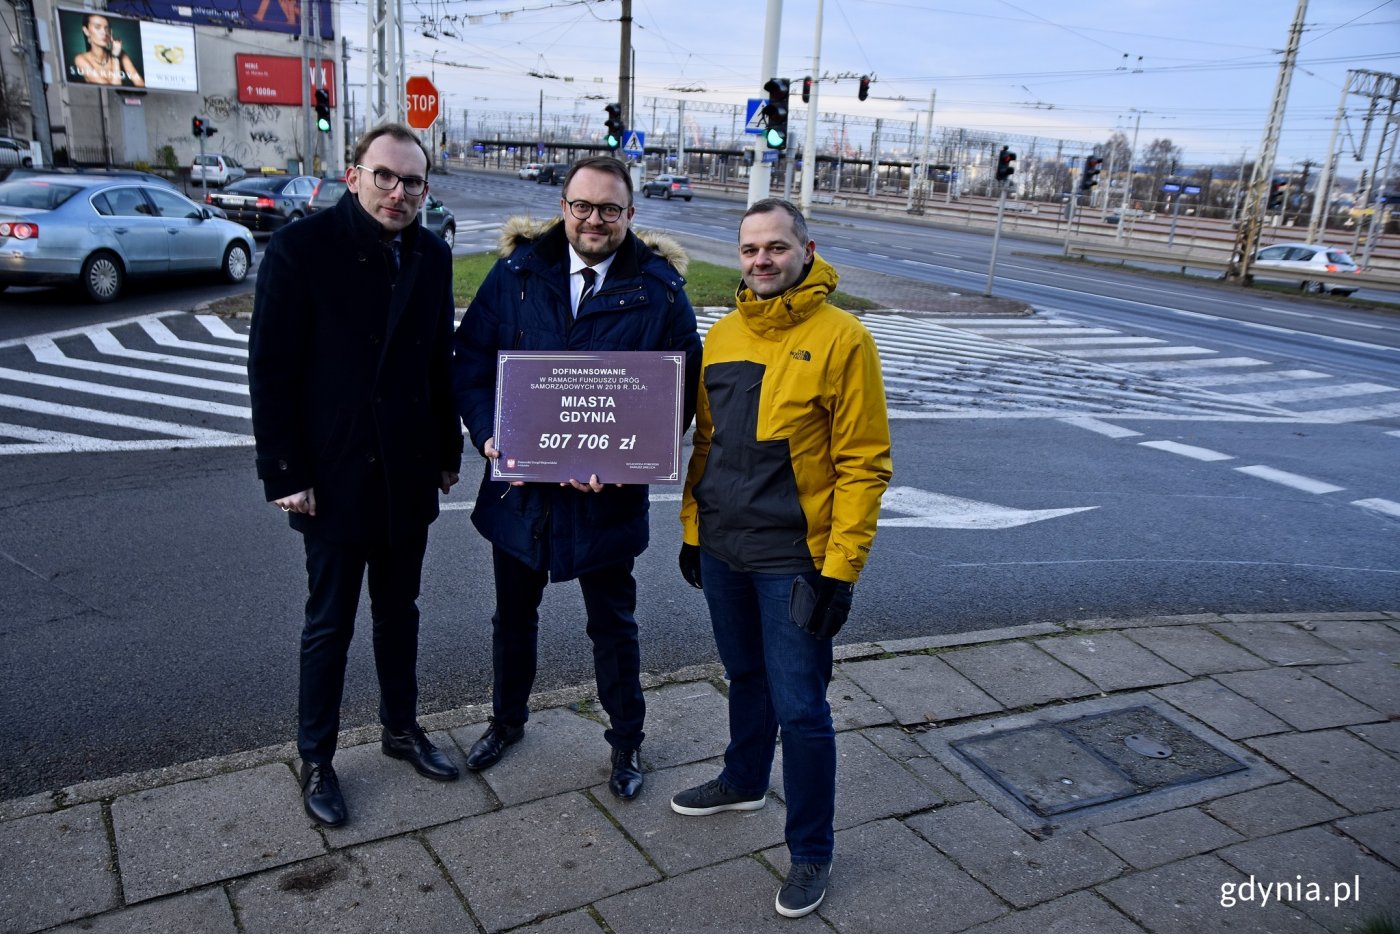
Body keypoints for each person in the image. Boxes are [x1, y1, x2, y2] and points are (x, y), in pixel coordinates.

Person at [452, 155, 702, 801]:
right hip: (520, 493)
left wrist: (621, 463)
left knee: (613, 625)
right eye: (583, 206)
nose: (594, 220)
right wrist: (488, 433)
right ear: (563, 207)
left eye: (609, 209)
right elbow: (472, 363)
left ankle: (626, 744)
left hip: (605, 501)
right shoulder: (515, 276)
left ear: (630, 215)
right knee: (512, 617)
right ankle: (506, 723)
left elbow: (677, 395)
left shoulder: (659, 291)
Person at [671, 198, 892, 918]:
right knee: (744, 677)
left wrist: (840, 572)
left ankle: (811, 851)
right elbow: (707, 445)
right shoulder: (724, 334)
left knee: (802, 708)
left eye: (775, 247)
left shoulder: (843, 338)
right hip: (727, 549)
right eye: (748, 249)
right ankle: (743, 779)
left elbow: (864, 464)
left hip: (795, 560)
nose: (760, 260)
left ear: (806, 250)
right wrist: (693, 530)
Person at [248, 123, 464, 827]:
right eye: (386, 177)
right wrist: (284, 469)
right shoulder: (300, 249)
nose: (399, 193)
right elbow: (271, 369)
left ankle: (401, 730)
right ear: (354, 175)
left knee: (400, 615)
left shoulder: (433, 256)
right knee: (328, 623)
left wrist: (445, 451)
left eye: (413, 182)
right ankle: (317, 757)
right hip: (332, 473)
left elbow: (439, 361)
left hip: (405, 470)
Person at [71, 14, 145, 88]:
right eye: (97, 27)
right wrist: (115, 58)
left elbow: (141, 85)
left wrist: (116, 55)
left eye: (106, 28)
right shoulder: (80, 59)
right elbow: (112, 92)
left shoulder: (121, 54)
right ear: (86, 31)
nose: (104, 32)